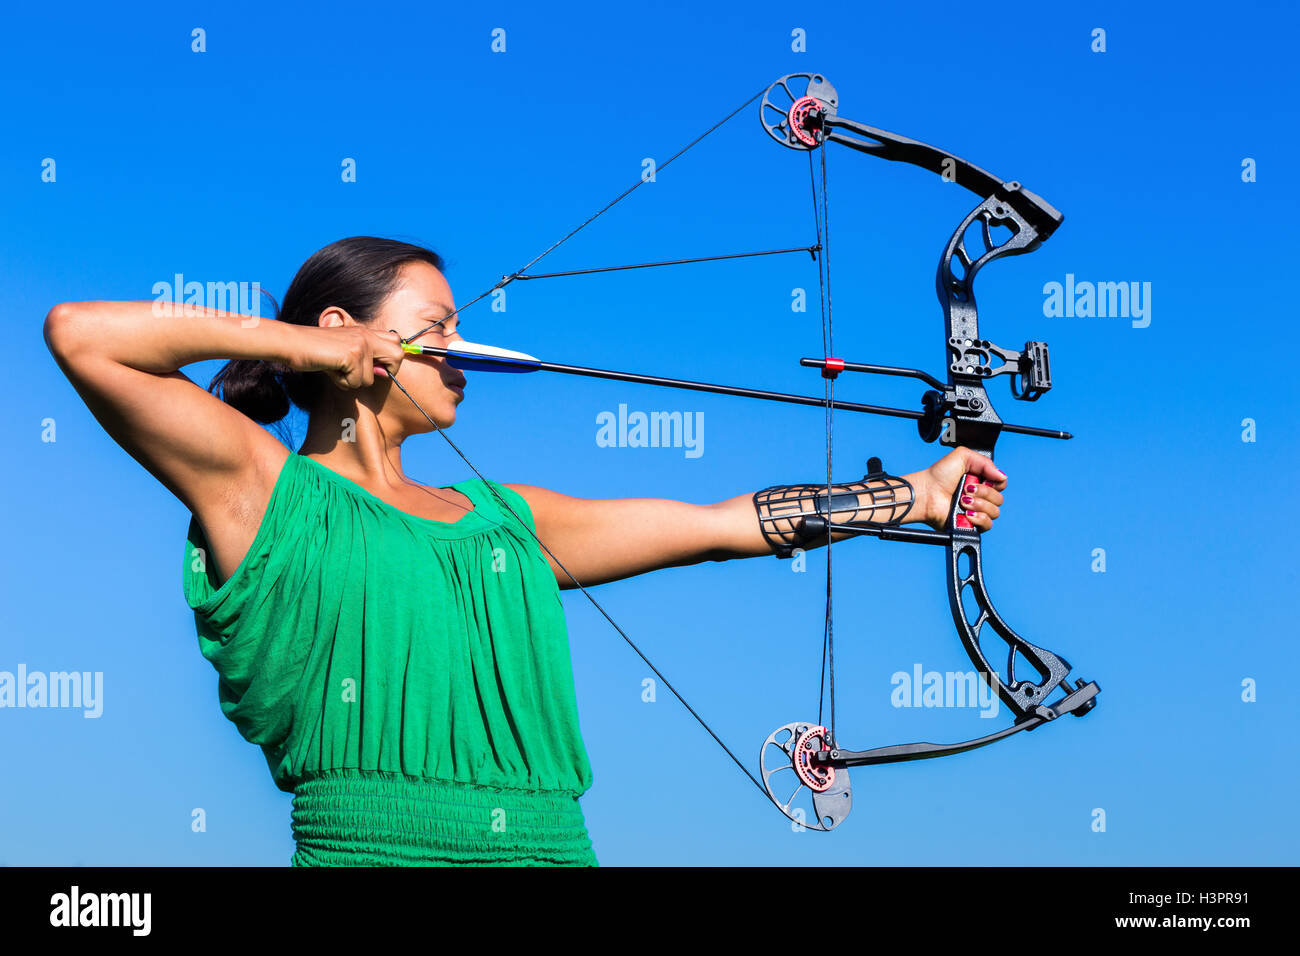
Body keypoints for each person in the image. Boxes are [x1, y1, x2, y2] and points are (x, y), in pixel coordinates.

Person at [42, 236, 1007, 866]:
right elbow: (83, 336)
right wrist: (308, 345)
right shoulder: (263, 493)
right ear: (346, 336)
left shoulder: (507, 521)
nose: (463, 349)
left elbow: (723, 523)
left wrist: (914, 498)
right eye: (440, 328)